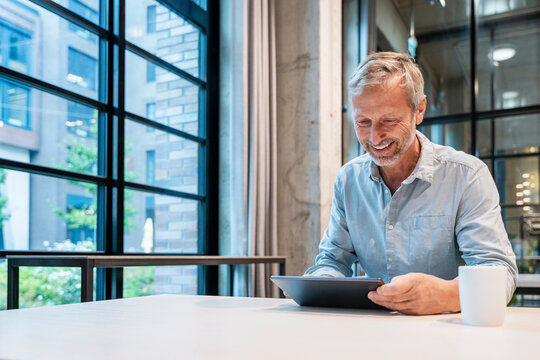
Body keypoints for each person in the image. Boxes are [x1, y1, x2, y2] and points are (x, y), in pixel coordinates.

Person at [305, 52, 518, 315]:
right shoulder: (349, 180)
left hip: (450, 336)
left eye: (389, 121)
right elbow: (331, 260)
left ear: (419, 110)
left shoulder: (466, 176)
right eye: (362, 122)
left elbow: (500, 275)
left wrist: (444, 295)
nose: (374, 137)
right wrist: (322, 284)